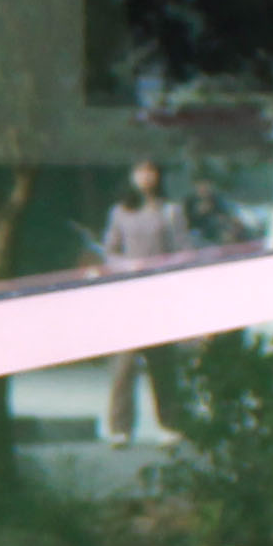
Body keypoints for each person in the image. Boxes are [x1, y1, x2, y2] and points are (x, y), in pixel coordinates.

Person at [92, 155, 191, 439]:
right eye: (140, 171)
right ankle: (120, 428)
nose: (146, 177)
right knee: (123, 365)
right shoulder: (120, 212)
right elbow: (110, 252)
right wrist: (127, 266)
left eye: (151, 171)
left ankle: (169, 425)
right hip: (128, 297)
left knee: (163, 364)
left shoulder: (170, 211)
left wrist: (162, 268)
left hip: (159, 298)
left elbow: (184, 252)